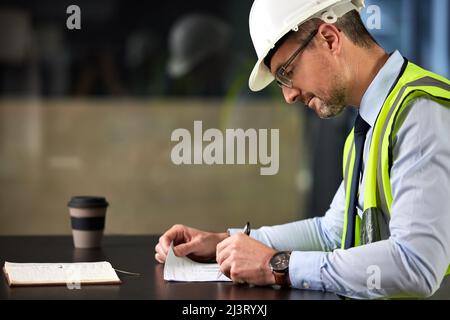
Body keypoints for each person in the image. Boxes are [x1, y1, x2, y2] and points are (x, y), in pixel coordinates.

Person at [155, 0, 450, 299]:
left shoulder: (420, 113)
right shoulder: (372, 124)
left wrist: (277, 265)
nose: (289, 95)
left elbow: (417, 265)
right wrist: (226, 242)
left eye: (288, 71)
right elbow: (330, 233)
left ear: (329, 39)